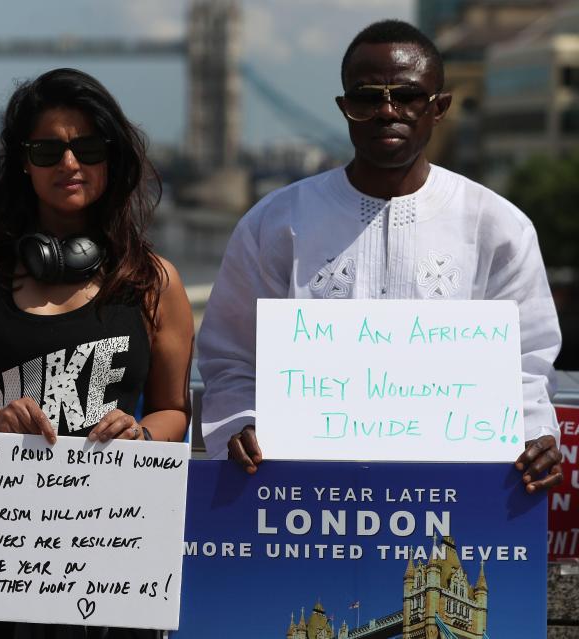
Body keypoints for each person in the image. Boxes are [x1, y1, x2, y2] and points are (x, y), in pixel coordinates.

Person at [198, 19, 563, 492]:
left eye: (409, 96)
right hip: (302, 496)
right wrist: (241, 426)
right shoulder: (275, 223)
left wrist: (535, 437)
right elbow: (231, 357)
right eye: (368, 97)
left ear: (440, 107)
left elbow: (527, 363)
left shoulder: (497, 226)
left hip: (458, 493)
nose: (387, 111)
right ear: (345, 106)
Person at [0, 67, 193, 638]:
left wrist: (141, 434)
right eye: (48, 149)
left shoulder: (154, 281)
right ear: (23, 162)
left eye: (87, 147)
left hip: (109, 561)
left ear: (111, 158)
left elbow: (174, 411)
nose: (69, 164)